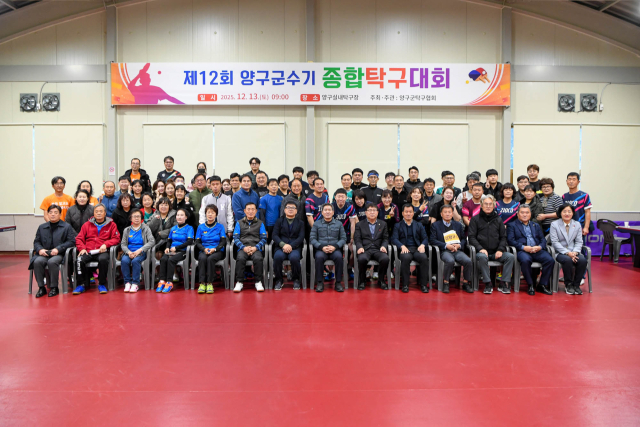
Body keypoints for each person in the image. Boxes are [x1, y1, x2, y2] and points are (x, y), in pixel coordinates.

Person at [468, 196, 515, 294]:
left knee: (510, 256)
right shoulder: (475, 219)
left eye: (490, 204)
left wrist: (500, 250)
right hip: (481, 252)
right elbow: (471, 237)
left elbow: (503, 237)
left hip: (496, 252)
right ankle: (488, 283)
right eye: (486, 204)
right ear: (481, 205)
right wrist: (480, 248)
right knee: (482, 257)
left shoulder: (498, 220)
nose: (488, 206)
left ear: (494, 206)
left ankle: (503, 283)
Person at [73, 204, 120, 295]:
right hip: (88, 251)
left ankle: (101, 283)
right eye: (96, 211)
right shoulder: (87, 225)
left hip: (102, 251)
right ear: (93, 213)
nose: (98, 213)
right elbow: (79, 239)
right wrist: (82, 248)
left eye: (101, 211)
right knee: (79, 260)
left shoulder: (112, 225)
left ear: (105, 213)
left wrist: (106, 244)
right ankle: (81, 284)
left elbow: (116, 238)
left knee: (103, 260)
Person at [30, 205, 76, 298]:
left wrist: (58, 249)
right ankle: (41, 287)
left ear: (60, 214)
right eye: (50, 213)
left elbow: (71, 241)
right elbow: (37, 241)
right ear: (47, 214)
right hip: (44, 253)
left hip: (59, 254)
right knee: (37, 261)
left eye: (55, 212)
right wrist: (40, 249)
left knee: (52, 262)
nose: (53, 215)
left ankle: (54, 287)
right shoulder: (42, 227)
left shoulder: (66, 226)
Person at [507, 205, 554, 296]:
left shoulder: (535, 225)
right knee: (526, 260)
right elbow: (511, 241)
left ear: (530, 214)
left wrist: (540, 247)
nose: (525, 215)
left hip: (536, 250)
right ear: (517, 214)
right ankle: (530, 284)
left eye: (527, 212)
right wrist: (524, 247)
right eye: (522, 212)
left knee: (550, 260)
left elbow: (543, 240)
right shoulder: (512, 225)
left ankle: (542, 285)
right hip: (522, 250)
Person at [429, 205, 473, 293]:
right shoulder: (435, 225)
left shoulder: (458, 225)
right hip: (445, 251)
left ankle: (465, 283)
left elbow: (464, 239)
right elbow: (432, 240)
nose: (447, 214)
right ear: (441, 214)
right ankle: (446, 282)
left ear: (452, 214)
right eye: (445, 212)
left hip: (457, 250)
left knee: (468, 261)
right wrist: (446, 245)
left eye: (449, 212)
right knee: (450, 261)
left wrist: (459, 245)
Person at [550, 203, 588, 295]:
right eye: (564, 211)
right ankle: (568, 285)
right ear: (560, 213)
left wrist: (575, 252)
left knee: (582, 260)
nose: (567, 214)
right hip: (560, 252)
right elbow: (555, 242)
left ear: (573, 213)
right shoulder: (554, 224)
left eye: (569, 211)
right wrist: (567, 253)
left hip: (574, 251)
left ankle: (576, 285)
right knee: (567, 260)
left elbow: (579, 241)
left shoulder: (577, 224)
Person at [391, 204, 430, 293]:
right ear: (402, 213)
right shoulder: (398, 225)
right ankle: (405, 285)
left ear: (413, 213)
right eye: (406, 212)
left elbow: (425, 238)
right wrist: (402, 246)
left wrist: (422, 245)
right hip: (405, 249)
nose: (408, 214)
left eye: (410, 212)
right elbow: (394, 239)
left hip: (417, 249)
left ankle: (423, 285)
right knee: (405, 258)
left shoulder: (419, 225)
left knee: (424, 258)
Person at [310, 203, 347, 293]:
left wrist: (335, 247)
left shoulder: (339, 224)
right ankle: (320, 282)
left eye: (329, 210)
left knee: (339, 258)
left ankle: (338, 282)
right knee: (319, 258)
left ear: (333, 212)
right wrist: (321, 247)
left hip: (335, 249)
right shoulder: (316, 224)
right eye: (325, 210)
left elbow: (343, 238)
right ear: (322, 212)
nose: (327, 212)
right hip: (321, 250)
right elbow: (312, 238)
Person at [155, 208, 194, 293]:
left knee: (171, 260)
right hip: (172, 251)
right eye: (178, 215)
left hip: (182, 251)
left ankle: (169, 282)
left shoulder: (189, 228)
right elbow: (169, 240)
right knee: (163, 259)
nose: (179, 217)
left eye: (182, 215)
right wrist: (167, 248)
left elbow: (190, 241)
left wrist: (177, 248)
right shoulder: (173, 228)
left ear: (186, 217)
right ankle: (162, 281)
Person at [232, 203, 267, 292]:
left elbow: (263, 238)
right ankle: (239, 282)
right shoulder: (239, 223)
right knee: (240, 258)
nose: (250, 211)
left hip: (256, 248)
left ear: (256, 211)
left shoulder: (260, 223)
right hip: (243, 248)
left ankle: (258, 281)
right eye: (248, 209)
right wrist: (243, 247)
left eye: (252, 209)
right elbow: (235, 238)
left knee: (258, 258)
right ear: (245, 211)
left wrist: (256, 247)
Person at [354, 202, 390, 290]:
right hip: (365, 249)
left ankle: (381, 280)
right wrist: (360, 247)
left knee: (385, 258)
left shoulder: (383, 224)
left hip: (378, 249)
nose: (372, 212)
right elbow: (357, 238)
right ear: (366, 212)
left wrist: (384, 246)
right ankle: (362, 281)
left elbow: (385, 238)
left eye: (374, 210)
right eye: (370, 210)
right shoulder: (359, 224)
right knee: (362, 259)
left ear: (377, 212)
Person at [272, 201, 305, 290]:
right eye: (288, 207)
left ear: (296, 211)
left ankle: (296, 279)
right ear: (284, 210)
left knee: (294, 258)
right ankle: (279, 280)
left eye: (293, 208)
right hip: (281, 247)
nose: (290, 209)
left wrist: (291, 246)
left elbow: (301, 237)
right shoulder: (279, 221)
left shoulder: (300, 223)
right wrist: (283, 245)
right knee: (278, 257)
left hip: (295, 247)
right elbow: (274, 235)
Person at [120, 209, 155, 293]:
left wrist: (140, 250)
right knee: (124, 260)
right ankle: (127, 282)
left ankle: (135, 283)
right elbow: (123, 244)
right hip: (129, 252)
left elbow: (152, 241)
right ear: (130, 218)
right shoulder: (127, 230)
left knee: (135, 261)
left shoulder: (146, 228)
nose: (136, 218)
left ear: (141, 218)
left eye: (138, 216)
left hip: (141, 252)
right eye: (134, 216)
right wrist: (128, 252)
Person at [195, 205, 227, 294]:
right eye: (208, 212)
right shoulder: (201, 227)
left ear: (216, 215)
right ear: (205, 214)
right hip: (204, 249)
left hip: (217, 250)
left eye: (212, 213)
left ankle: (210, 283)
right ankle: (202, 283)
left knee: (210, 259)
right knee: (202, 258)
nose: (210, 214)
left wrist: (215, 249)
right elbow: (197, 242)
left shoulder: (220, 226)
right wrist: (204, 249)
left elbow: (223, 241)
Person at [562, 172, 593, 238]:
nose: (571, 181)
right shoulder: (564, 196)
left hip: (580, 226)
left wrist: (586, 227)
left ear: (578, 182)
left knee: (580, 244)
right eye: (569, 179)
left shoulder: (584, 195)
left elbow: (587, 212)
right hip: (567, 227)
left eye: (574, 179)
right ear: (566, 181)